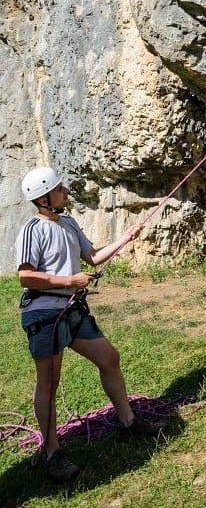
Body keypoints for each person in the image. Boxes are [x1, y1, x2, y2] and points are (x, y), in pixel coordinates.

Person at [16, 166, 165, 484]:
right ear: (44, 199)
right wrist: (71, 279)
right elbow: (25, 276)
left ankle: (127, 422)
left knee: (108, 357)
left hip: (72, 310)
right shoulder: (32, 230)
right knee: (49, 383)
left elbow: (93, 256)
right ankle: (52, 454)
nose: (65, 191)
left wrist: (125, 239)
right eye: (59, 189)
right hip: (45, 316)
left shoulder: (68, 223)